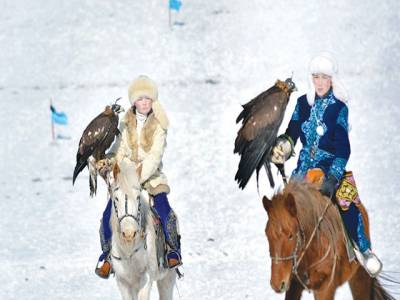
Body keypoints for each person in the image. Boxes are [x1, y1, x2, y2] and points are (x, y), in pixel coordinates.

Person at [271, 53, 382, 277]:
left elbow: (343, 148)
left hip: (331, 169)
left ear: (331, 79)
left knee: (346, 201)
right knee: (284, 208)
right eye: (316, 77)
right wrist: (283, 147)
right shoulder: (303, 103)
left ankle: (363, 249)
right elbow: (291, 134)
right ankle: (285, 254)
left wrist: (333, 176)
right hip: (303, 171)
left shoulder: (339, 108)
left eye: (324, 77)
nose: (319, 82)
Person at [95, 75, 182, 279]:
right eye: (140, 99)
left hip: (151, 179)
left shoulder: (160, 125)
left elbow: (154, 156)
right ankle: (107, 256)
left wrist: (138, 175)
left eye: (147, 99)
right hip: (126, 180)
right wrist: (108, 161)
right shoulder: (125, 124)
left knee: (164, 210)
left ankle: (172, 249)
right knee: (108, 215)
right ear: (133, 101)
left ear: (153, 101)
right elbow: (119, 150)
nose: (143, 103)